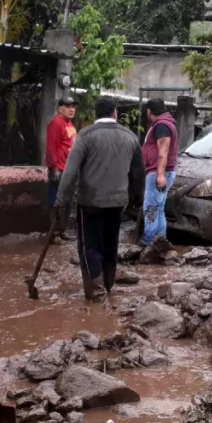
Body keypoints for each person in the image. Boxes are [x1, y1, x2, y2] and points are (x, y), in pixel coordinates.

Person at [55, 98, 145, 300]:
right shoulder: (130, 137)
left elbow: (69, 173)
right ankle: (108, 285)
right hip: (118, 203)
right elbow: (139, 174)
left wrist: (60, 201)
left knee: (90, 246)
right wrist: (137, 200)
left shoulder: (85, 136)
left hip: (90, 202)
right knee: (111, 244)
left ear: (96, 113)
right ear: (115, 113)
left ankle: (96, 292)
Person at [141, 98, 178, 247]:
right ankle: (161, 243)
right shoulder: (166, 123)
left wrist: (160, 175)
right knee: (159, 209)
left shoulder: (161, 125)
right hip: (164, 172)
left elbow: (163, 151)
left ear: (149, 111)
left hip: (158, 173)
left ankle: (148, 243)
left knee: (150, 208)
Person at [46, 97, 78, 240]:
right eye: (68, 106)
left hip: (69, 169)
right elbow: (51, 147)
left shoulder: (69, 123)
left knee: (68, 201)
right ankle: (53, 234)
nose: (72, 109)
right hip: (59, 169)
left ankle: (61, 231)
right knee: (56, 200)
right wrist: (53, 168)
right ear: (60, 108)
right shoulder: (56, 123)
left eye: (73, 106)